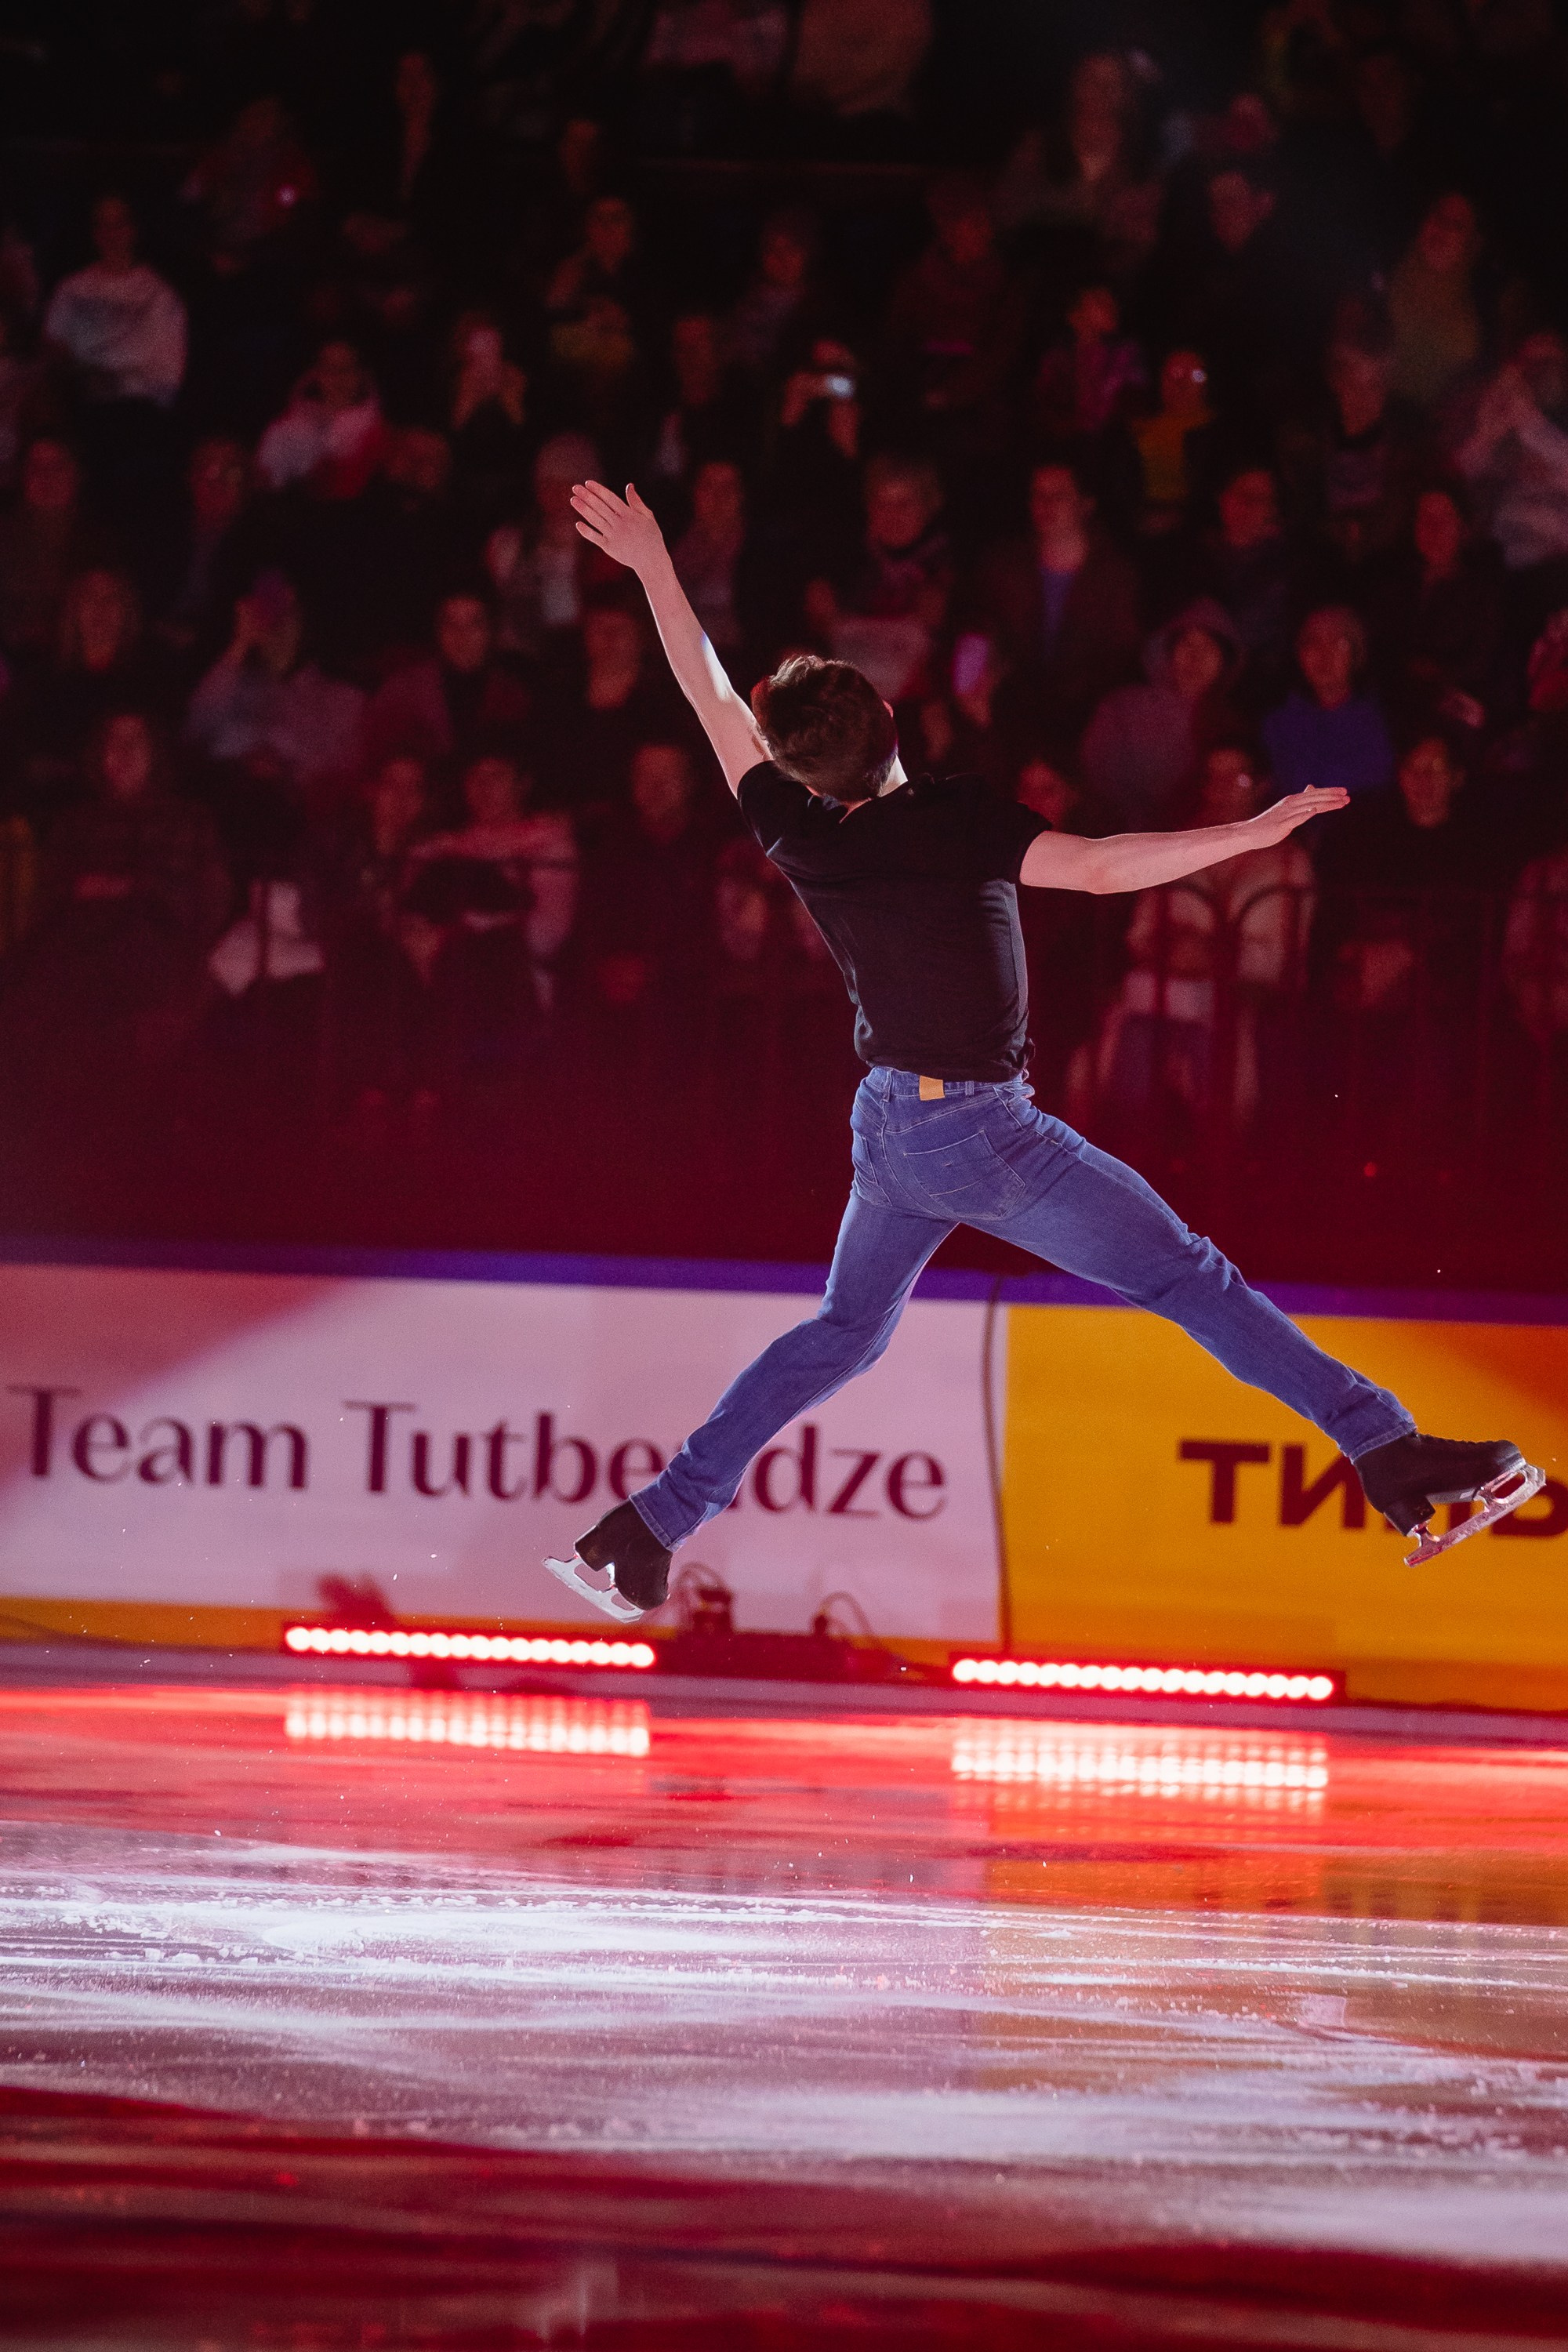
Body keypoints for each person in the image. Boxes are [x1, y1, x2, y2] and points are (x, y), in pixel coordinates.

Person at [543, 476, 1535, 1620]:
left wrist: (655, 566)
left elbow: (710, 696)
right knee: (1187, 1276)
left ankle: (649, 1526)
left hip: (891, 1129)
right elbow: (1107, 869)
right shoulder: (957, 818)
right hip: (981, 1133)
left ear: (802, 771)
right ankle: (1387, 1453)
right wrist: (1252, 833)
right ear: (895, 724)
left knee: (844, 1333)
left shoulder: (792, 828)